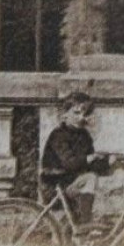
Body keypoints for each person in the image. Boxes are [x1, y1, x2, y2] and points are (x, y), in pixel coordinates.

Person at [40, 91, 111, 232]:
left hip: (71, 184)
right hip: (54, 185)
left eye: (85, 113)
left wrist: (107, 162)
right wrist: (90, 158)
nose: (81, 117)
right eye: (76, 113)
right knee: (90, 178)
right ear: (64, 115)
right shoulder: (58, 135)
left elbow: (90, 165)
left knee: (92, 177)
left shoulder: (84, 135)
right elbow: (70, 163)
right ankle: (86, 222)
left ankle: (83, 226)